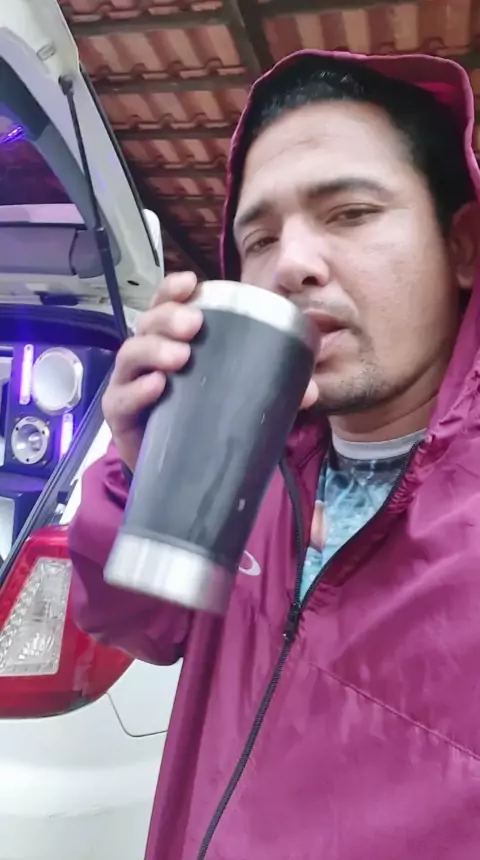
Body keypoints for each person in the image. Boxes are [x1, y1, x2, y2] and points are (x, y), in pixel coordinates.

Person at [69, 49, 480, 860]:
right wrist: (139, 473)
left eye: (350, 212)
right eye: (259, 238)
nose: (290, 264)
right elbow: (138, 626)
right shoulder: (254, 471)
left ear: (462, 244)